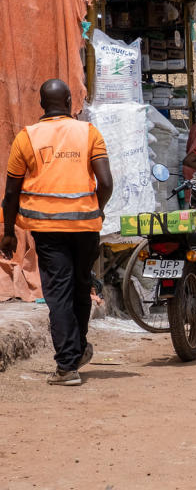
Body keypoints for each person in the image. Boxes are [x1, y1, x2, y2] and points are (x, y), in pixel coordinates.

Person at [1, 79, 113, 386]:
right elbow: (105, 183)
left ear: (41, 105)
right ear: (68, 102)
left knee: (59, 293)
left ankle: (68, 366)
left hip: (48, 230)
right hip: (85, 226)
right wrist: (97, 208)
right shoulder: (89, 132)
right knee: (80, 286)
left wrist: (8, 231)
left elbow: (11, 193)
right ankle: (75, 353)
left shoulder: (26, 137)